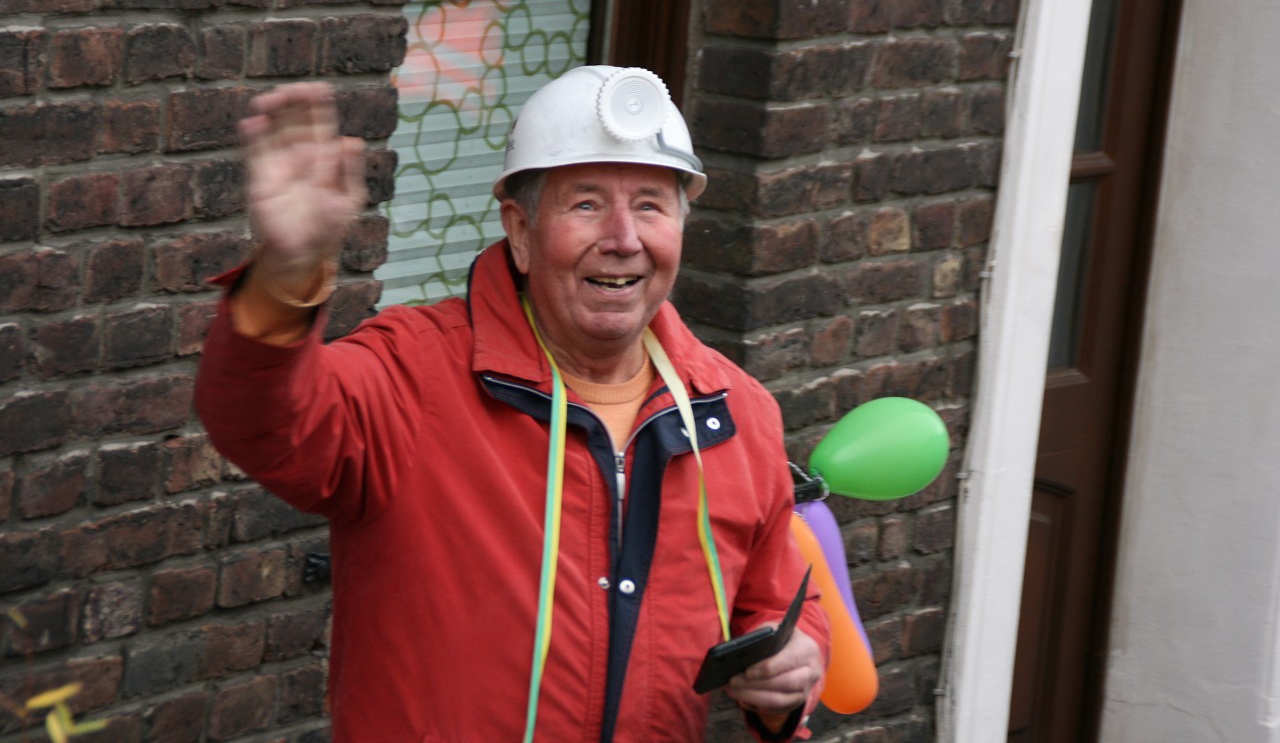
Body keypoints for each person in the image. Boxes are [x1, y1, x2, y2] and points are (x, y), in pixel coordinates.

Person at [195, 66, 830, 742]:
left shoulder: (736, 411)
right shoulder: (413, 373)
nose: (624, 238)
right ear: (520, 231)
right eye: (585, 205)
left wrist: (791, 674)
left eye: (650, 206)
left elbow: (781, 602)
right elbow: (265, 423)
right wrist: (285, 275)